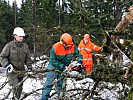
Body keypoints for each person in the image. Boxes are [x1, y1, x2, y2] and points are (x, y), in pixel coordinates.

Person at [41, 33, 82, 100]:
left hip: (64, 68)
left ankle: (61, 97)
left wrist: (79, 62)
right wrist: (62, 67)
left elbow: (79, 55)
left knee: (61, 85)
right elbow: (53, 60)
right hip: (53, 67)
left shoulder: (73, 46)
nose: (69, 46)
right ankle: (44, 98)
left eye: (70, 45)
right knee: (48, 85)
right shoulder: (55, 47)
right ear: (63, 43)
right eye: (68, 45)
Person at [0, 27, 32, 99]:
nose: (21, 38)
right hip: (12, 71)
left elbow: (28, 59)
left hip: (21, 71)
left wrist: (29, 67)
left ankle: (15, 98)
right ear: (15, 36)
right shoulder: (9, 46)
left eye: (22, 36)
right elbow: (2, 57)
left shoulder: (25, 46)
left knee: (20, 89)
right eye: (20, 36)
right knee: (16, 87)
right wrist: (7, 65)